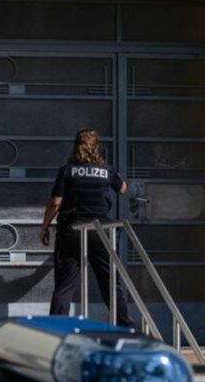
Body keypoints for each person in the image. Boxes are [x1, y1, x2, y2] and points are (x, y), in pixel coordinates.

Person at [40, 128, 135, 327]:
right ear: (96, 147)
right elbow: (123, 189)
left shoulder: (67, 171)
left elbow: (56, 203)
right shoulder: (106, 170)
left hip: (72, 229)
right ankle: (126, 326)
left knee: (65, 284)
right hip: (101, 231)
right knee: (109, 282)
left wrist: (45, 226)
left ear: (75, 146)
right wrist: (109, 172)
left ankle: (56, 329)